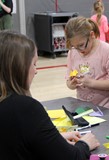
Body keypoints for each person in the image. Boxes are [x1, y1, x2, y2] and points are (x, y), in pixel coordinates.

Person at [0, 30, 100, 159]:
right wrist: (85, 144)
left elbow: (15, 139)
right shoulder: (24, 107)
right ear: (19, 67)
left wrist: (52, 139)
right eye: (34, 64)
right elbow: (71, 157)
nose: (36, 71)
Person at [65, 16, 109, 109]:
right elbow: (68, 81)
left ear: (91, 35)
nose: (79, 50)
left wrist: (91, 83)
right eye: (75, 46)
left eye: (81, 45)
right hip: (83, 108)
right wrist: (71, 84)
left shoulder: (106, 51)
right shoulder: (72, 52)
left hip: (105, 108)